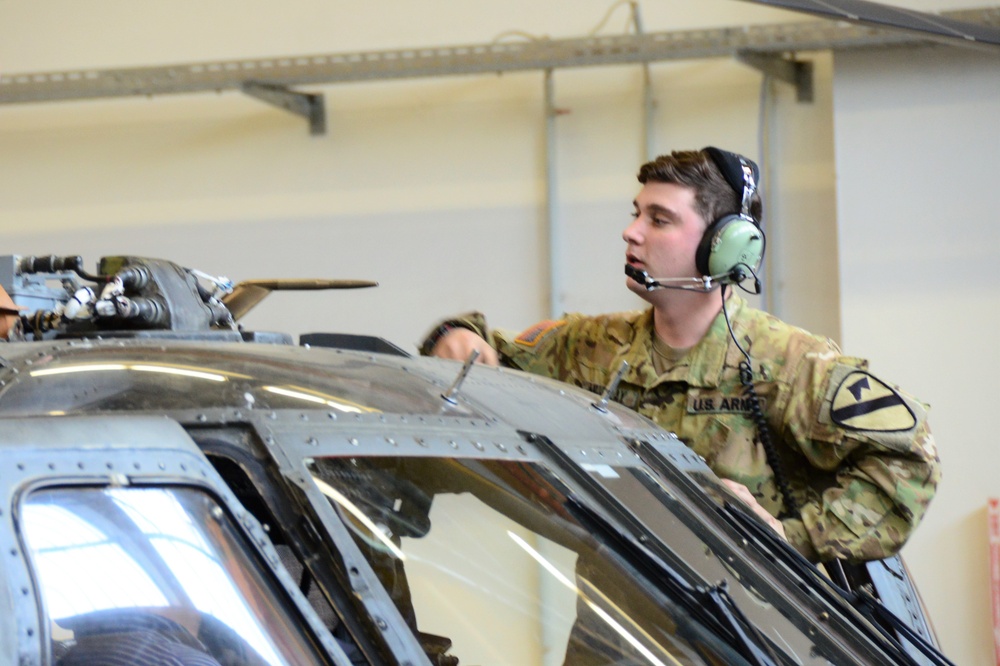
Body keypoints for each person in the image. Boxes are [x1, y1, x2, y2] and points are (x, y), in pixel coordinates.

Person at [419, 147, 940, 564]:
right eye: (636, 214)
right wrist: (457, 334)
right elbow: (485, 345)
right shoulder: (590, 346)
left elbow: (909, 459)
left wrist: (791, 537)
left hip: (744, 638)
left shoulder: (791, 366)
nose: (632, 231)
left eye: (659, 219)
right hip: (622, 636)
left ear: (725, 246)